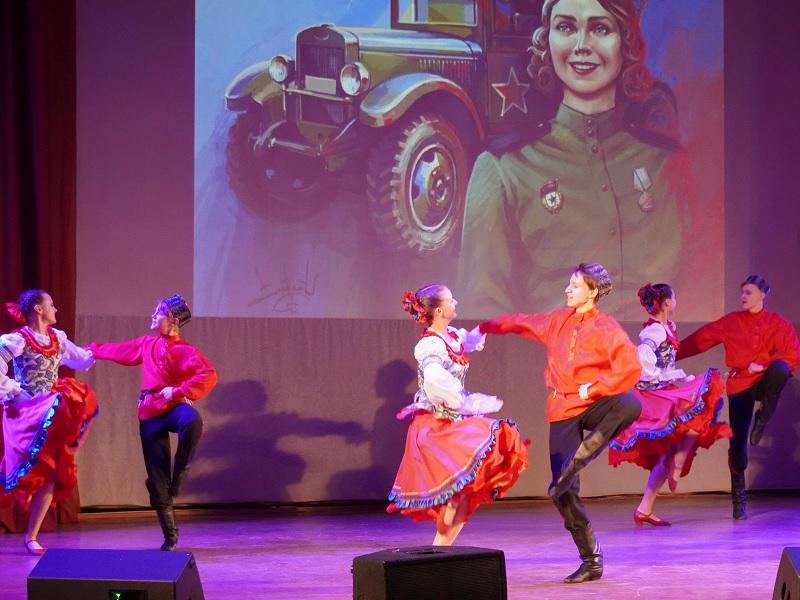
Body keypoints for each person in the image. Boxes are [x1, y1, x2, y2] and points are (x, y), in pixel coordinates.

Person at [458, 0, 709, 321]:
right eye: (566, 27)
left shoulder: (668, 163)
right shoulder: (503, 169)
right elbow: (483, 314)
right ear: (547, 40)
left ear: (625, 41)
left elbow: (701, 289)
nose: (581, 46)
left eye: (600, 29)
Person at [479, 263, 641, 583]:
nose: (567, 289)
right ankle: (591, 560)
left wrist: (592, 389)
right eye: (569, 283)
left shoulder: (605, 327)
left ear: (592, 292)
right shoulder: (557, 320)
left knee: (630, 403)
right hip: (562, 409)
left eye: (575, 285)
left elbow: (630, 365)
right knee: (562, 490)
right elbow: (522, 321)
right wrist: (486, 326)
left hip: (592, 404)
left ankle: (585, 453)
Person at [387, 284, 529, 546]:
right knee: (455, 493)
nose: (456, 303)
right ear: (440, 311)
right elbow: (434, 380)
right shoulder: (431, 344)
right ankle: (439, 551)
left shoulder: (450, 336)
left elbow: (467, 342)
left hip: (451, 421)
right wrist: (468, 402)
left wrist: (485, 328)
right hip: (434, 425)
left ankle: (442, 550)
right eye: (451, 300)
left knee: (464, 491)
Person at [87, 294, 217, 550]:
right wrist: (92, 349)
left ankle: (180, 472)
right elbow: (120, 350)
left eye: (158, 313)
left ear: (173, 320)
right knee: (158, 476)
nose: (153, 316)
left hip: (173, 405)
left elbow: (208, 375)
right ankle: (170, 535)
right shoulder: (147, 343)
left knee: (192, 422)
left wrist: (178, 390)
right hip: (150, 411)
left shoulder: (185, 350)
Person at [676, 275, 800, 520]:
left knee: (781, 369)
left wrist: (763, 365)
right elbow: (701, 339)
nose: (743, 296)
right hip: (740, 384)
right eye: (742, 292)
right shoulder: (732, 321)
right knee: (738, 443)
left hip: (763, 381)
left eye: (749, 292)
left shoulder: (776, 322)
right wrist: (671, 354)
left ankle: (762, 418)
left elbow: (792, 353)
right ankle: (738, 498)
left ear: (763, 294)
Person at [607, 283, 732, 526]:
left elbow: (664, 363)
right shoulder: (655, 331)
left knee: (683, 432)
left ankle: (644, 508)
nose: (676, 301)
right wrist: (668, 376)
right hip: (655, 394)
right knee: (702, 399)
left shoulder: (667, 327)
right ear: (667, 302)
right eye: (674, 297)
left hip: (665, 389)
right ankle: (678, 461)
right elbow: (644, 361)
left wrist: (677, 376)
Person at [0, 290, 98, 555]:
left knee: (52, 474)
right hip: (25, 414)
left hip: (50, 415)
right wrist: (14, 390)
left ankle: (31, 536)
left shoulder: (58, 338)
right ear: (38, 309)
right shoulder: (19, 339)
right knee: (18, 473)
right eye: (51, 305)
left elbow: (82, 358)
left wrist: (103, 350)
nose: (56, 309)